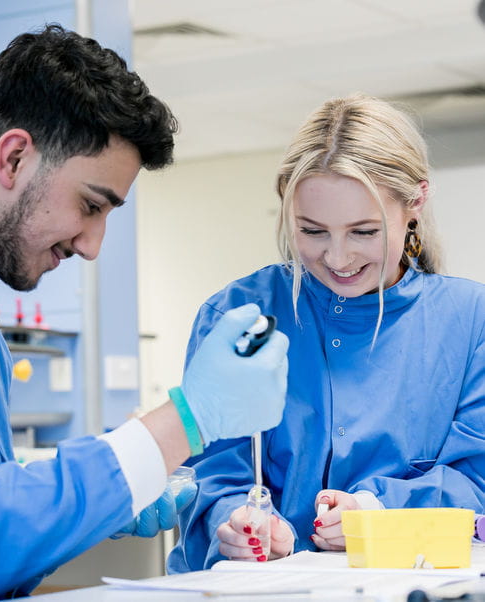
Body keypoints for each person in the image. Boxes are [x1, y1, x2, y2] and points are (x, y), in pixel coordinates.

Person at [0, 24, 290, 601]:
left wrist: (115, 492)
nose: (93, 245)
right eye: (90, 205)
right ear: (15, 155)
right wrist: (185, 419)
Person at [168, 93, 485, 573]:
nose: (337, 259)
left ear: (415, 202)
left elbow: (475, 477)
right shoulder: (238, 313)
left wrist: (375, 511)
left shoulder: (470, 319)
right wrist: (235, 524)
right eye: (313, 232)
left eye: (364, 232)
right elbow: (212, 472)